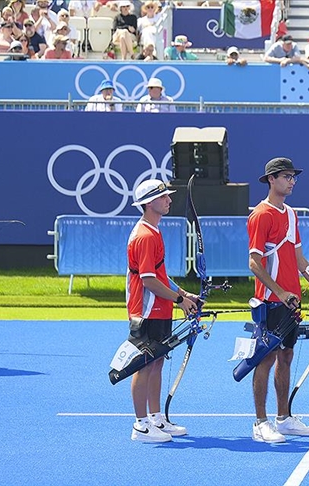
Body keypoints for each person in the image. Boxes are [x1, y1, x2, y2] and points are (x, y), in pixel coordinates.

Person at [247, 157, 309, 443]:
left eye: (294, 177)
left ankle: (282, 418)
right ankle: (260, 422)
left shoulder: (292, 214)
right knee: (266, 358)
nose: (292, 181)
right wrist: (279, 292)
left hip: (291, 303)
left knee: (286, 356)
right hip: (272, 302)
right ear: (271, 179)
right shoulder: (261, 215)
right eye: (286, 176)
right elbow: (254, 263)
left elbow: (299, 259)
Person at [125, 179, 199, 442]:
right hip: (145, 311)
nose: (169, 200)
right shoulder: (145, 235)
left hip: (159, 309)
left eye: (168, 196)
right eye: (163, 197)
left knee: (155, 363)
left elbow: (160, 276)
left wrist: (182, 294)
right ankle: (140, 425)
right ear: (148, 203)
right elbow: (148, 281)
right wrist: (180, 302)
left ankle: (156, 418)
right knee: (144, 366)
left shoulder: (153, 231)